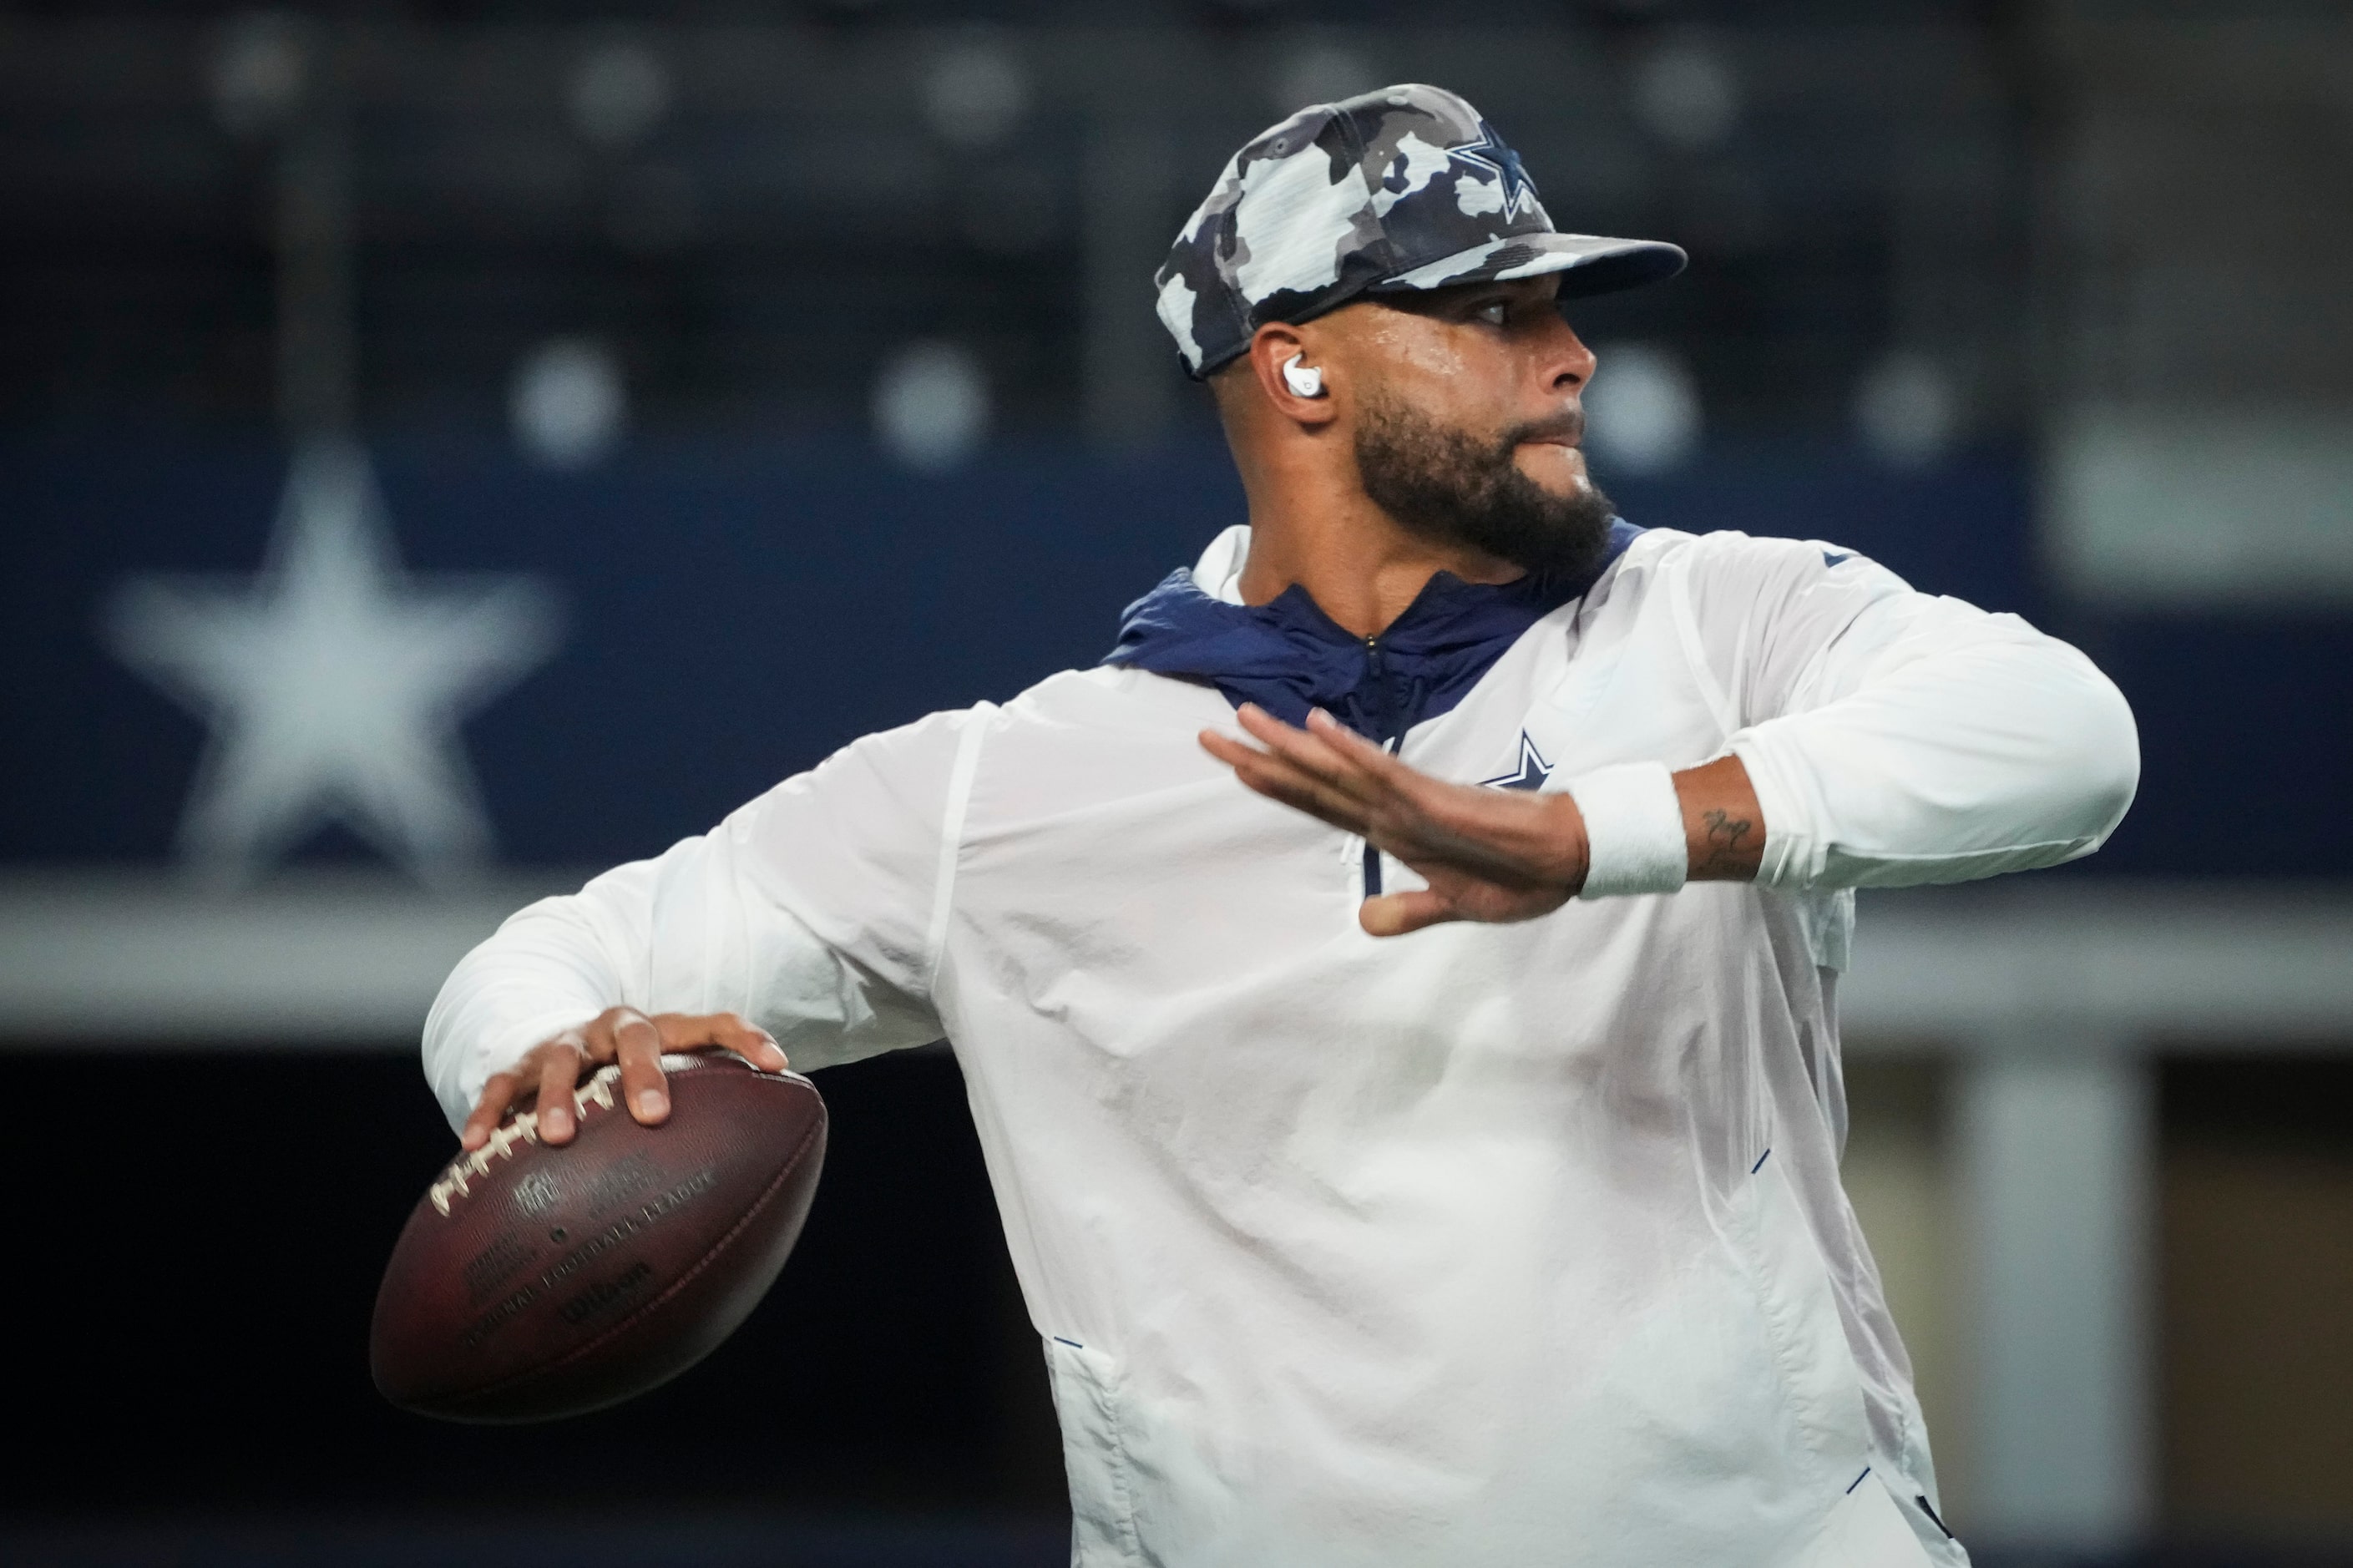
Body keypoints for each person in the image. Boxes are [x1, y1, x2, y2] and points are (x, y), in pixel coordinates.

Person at [424, 85, 2137, 1567]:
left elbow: (2066, 742)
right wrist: (548, 1043)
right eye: (1490, 313)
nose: (1570, 357)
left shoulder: (1715, 623)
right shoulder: (1007, 790)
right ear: (1296, 366)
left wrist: (1592, 834)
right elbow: (540, 961)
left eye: (1561, 307)